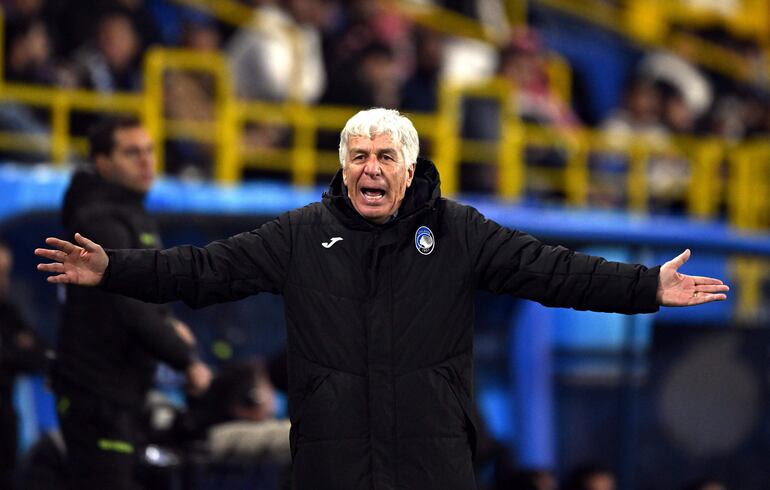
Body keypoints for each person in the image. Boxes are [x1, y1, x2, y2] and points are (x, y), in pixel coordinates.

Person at [36, 108, 729, 490]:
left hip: (432, 470)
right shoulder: (298, 236)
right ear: (343, 169)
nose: (371, 167)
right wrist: (115, 269)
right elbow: (198, 270)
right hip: (332, 469)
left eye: (385, 156)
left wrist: (646, 286)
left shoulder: (458, 232)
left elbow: (552, 271)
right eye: (358, 156)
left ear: (409, 166)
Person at [47, 116, 212, 490]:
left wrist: (167, 321)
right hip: (97, 394)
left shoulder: (130, 213)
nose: (146, 161)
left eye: (150, 151)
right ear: (103, 162)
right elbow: (130, 307)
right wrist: (185, 360)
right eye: (132, 153)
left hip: (119, 391)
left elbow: (144, 291)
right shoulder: (98, 221)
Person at [0, 241, 48, 489]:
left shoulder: (8, 312)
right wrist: (15, 349)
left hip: (5, 424)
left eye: (6, 273)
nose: (3, 281)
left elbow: (38, 355)